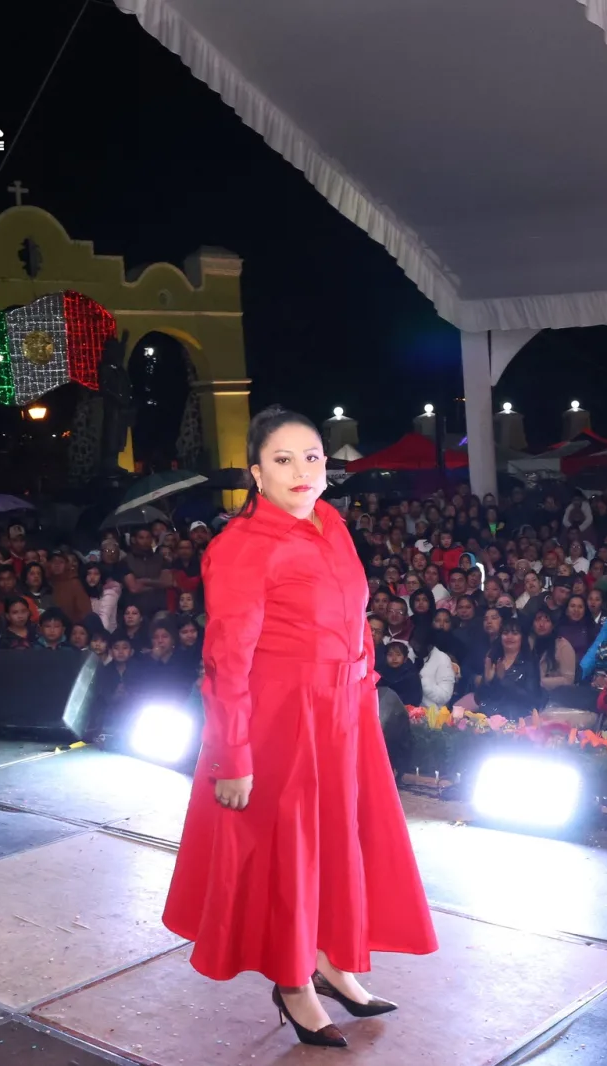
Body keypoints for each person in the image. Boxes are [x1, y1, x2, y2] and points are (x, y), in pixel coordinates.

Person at [164, 407, 435, 1048]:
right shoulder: (240, 547)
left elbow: (357, 620)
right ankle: (294, 984)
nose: (300, 470)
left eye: (312, 456)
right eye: (282, 460)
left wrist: (364, 693)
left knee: (338, 842)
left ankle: (330, 960)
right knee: (292, 853)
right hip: (280, 721)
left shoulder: (332, 524)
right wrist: (232, 755)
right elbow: (225, 659)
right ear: (256, 473)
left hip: (342, 717)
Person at [376, 641, 423, 707]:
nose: (394, 658)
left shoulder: (411, 675)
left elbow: (415, 700)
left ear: (405, 658)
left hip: (405, 712)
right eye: (390, 655)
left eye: (398, 655)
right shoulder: (380, 674)